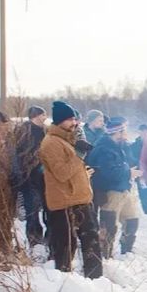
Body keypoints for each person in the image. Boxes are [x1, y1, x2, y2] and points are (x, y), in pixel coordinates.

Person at [38, 101, 102, 279]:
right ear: (59, 121)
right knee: (66, 246)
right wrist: (79, 156)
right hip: (64, 202)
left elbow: (72, 170)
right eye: (69, 120)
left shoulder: (67, 139)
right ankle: (64, 281)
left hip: (80, 198)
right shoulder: (50, 143)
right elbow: (62, 173)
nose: (74, 123)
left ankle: (96, 280)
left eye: (75, 119)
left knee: (91, 241)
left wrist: (84, 174)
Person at [87, 116, 141, 257]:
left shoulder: (119, 147)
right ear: (117, 133)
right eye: (124, 131)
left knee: (132, 221)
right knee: (108, 227)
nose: (126, 134)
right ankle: (105, 255)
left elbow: (126, 162)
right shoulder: (104, 149)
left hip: (123, 189)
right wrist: (129, 172)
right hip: (110, 192)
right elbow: (109, 173)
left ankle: (126, 252)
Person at [13, 105, 48, 246]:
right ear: (35, 116)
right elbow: (20, 154)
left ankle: (46, 240)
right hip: (29, 177)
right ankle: (34, 240)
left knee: (48, 210)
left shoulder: (46, 131)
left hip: (45, 178)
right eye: (43, 115)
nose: (45, 118)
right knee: (32, 211)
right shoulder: (24, 132)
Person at [129, 123, 147, 216]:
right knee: (143, 194)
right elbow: (131, 159)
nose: (144, 133)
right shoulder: (134, 145)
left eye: (146, 131)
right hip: (140, 173)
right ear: (139, 132)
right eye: (142, 131)